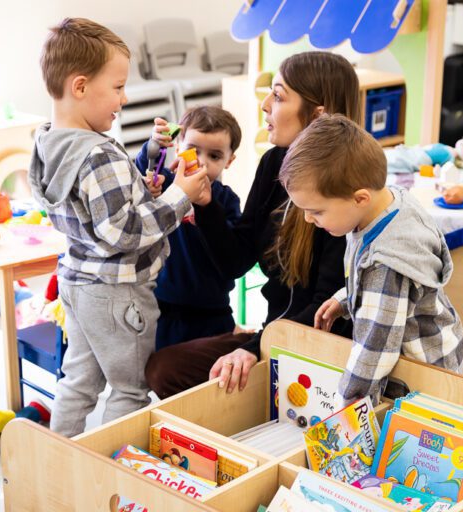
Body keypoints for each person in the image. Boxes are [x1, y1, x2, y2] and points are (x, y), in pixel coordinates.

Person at [28, 18, 210, 436]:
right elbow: (124, 233)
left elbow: (96, 208)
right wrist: (178, 194)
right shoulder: (98, 155)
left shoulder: (48, 143)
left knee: (78, 382)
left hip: (78, 282)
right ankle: (114, 477)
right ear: (80, 86)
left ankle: (58, 464)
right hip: (118, 292)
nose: (124, 98)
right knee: (129, 390)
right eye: (117, 87)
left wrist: (149, 157)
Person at [146, 51, 360, 398]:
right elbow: (236, 260)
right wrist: (206, 205)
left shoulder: (345, 192)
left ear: (317, 115)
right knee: (162, 370)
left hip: (316, 349)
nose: (264, 105)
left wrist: (253, 347)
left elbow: (326, 310)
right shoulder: (274, 162)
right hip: (273, 334)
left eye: (277, 95)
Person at [280, 114, 463, 405]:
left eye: (317, 211)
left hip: (425, 377)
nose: (308, 219)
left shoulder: (386, 267)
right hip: (422, 352)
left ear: (360, 198)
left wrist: (347, 407)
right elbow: (367, 272)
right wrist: (345, 298)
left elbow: (374, 350)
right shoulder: (385, 205)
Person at [134, 107, 243, 350]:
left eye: (214, 156)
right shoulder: (165, 184)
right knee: (161, 373)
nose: (201, 162)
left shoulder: (226, 201)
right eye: (193, 151)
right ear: (178, 146)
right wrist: (153, 145)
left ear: (229, 161)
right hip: (163, 306)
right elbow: (143, 172)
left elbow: (232, 253)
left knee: (211, 380)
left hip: (213, 312)